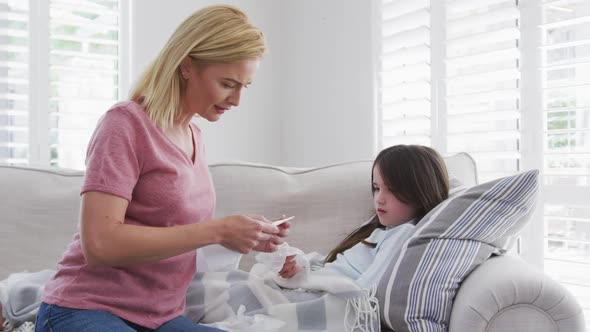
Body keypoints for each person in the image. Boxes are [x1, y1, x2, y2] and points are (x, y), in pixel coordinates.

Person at [35, 5, 289, 332]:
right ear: (186, 66)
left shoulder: (193, 135)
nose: (237, 100)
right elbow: (99, 244)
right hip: (86, 308)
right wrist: (219, 230)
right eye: (228, 84)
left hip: (160, 318)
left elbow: (173, 236)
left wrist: (244, 236)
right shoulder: (125, 124)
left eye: (244, 86)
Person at [278, 145, 449, 289]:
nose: (379, 199)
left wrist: (303, 279)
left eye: (393, 190)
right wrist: (299, 268)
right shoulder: (382, 229)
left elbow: (365, 289)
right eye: (376, 188)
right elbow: (333, 266)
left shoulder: (403, 234)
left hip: (327, 297)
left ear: (421, 193)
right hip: (313, 285)